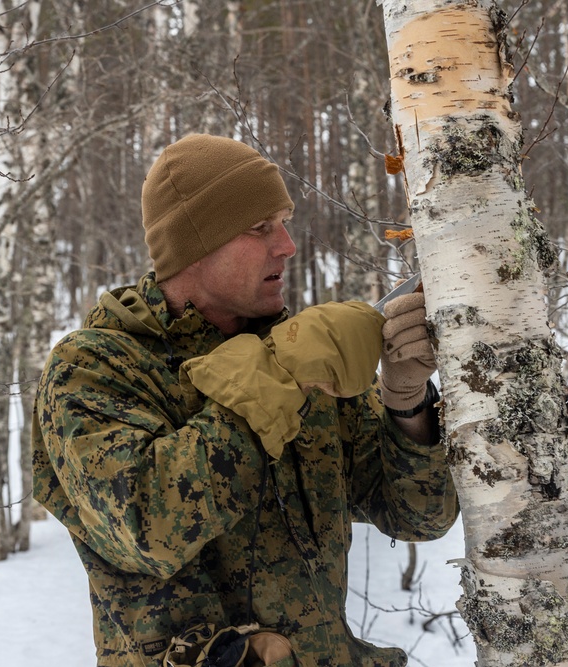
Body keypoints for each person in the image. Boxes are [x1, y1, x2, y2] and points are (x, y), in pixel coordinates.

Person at [32, 133, 458, 667]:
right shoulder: (95, 368)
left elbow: (419, 516)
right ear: (194, 244)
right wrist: (282, 371)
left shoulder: (296, 355)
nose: (286, 245)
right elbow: (149, 526)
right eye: (259, 228)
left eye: (283, 222)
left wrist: (405, 401)